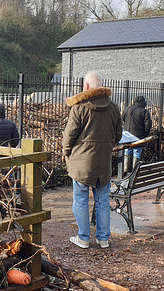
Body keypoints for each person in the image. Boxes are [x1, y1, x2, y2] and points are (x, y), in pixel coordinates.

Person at [62, 71, 122, 249]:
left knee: (80, 199)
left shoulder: (79, 107)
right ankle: (103, 239)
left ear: (86, 87)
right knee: (102, 200)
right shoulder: (113, 108)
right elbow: (118, 134)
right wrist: (107, 146)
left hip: (81, 163)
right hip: (103, 162)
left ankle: (83, 238)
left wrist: (66, 152)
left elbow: (69, 135)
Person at [122, 95, 152, 172]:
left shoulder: (128, 109)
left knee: (127, 151)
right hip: (139, 136)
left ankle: (125, 169)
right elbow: (148, 125)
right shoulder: (144, 111)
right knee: (137, 153)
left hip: (127, 136)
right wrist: (145, 134)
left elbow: (123, 118)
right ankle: (134, 171)